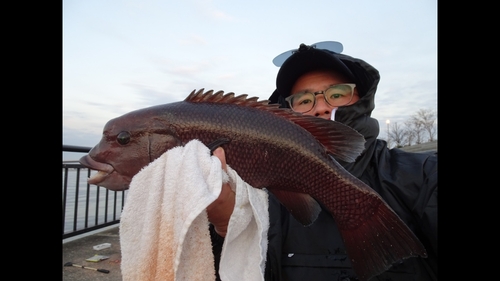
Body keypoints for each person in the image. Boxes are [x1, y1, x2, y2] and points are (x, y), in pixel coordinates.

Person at [207, 42, 438, 281]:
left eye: (337, 94)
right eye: (304, 100)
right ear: (285, 114)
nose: (320, 107)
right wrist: (226, 228)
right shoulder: (256, 195)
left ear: (362, 100)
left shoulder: (426, 176)